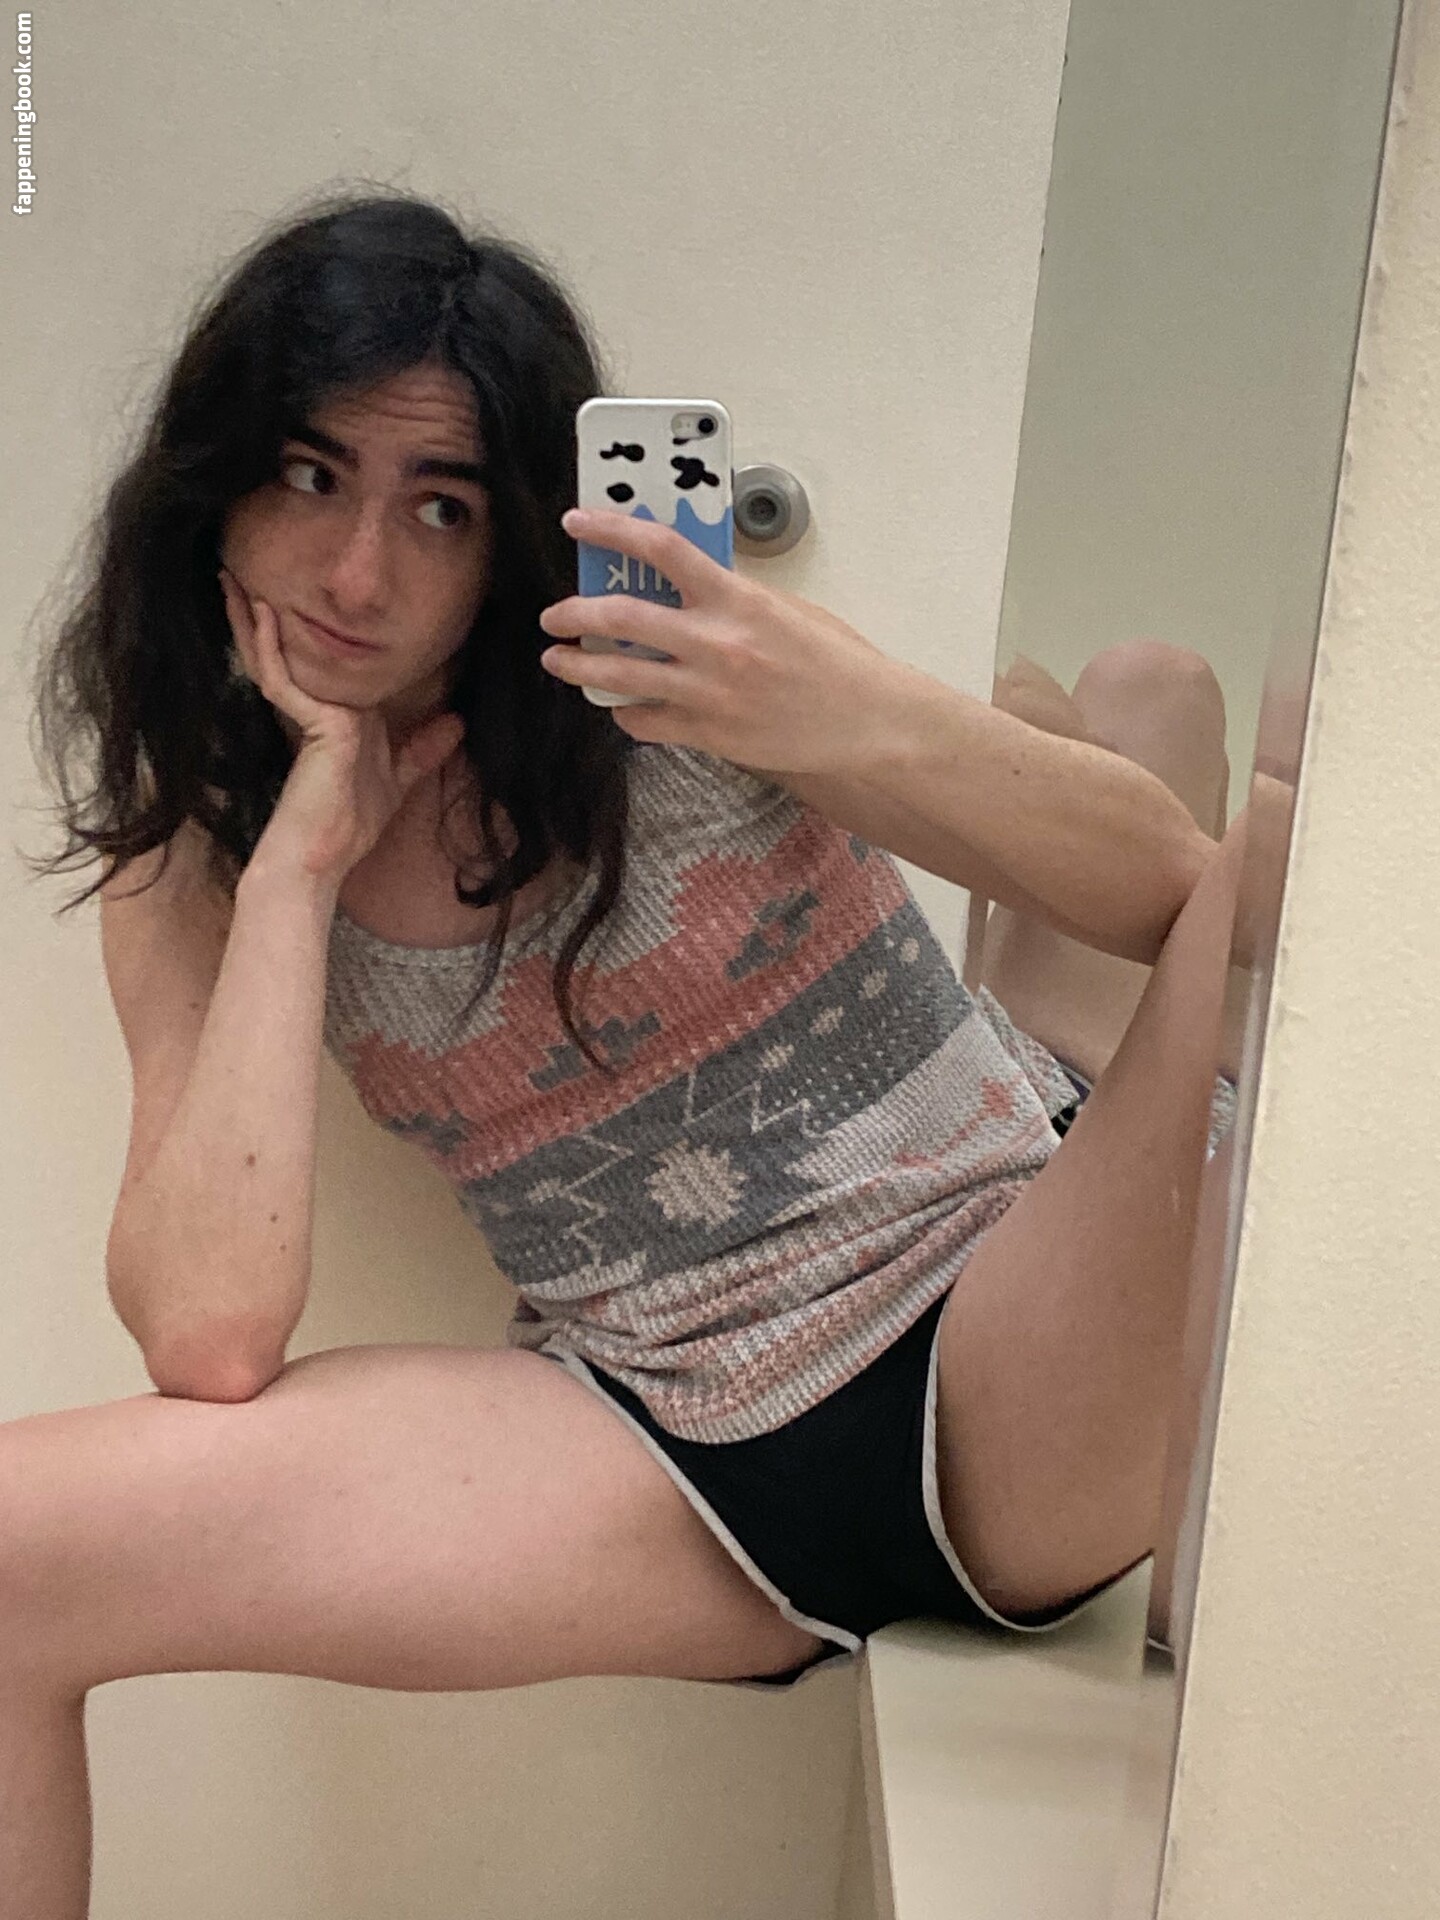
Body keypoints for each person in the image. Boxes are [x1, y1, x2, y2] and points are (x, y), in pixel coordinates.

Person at [8, 188, 1243, 1917]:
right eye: (309, 475)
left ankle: (1183, 1226)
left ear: (513, 529)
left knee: (1190, 745)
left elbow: (1194, 904)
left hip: (997, 1325)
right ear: (211, 486)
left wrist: (822, 702)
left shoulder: (675, 683)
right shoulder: (201, 861)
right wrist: (296, 868)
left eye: (439, 506)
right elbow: (207, 1335)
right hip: (669, 1450)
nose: (357, 574)